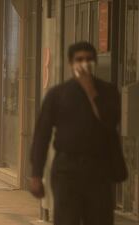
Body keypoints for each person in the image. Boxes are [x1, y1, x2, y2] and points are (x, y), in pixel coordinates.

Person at [30, 42, 128, 225]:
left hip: (99, 169)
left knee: (100, 219)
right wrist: (36, 174)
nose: (84, 64)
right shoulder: (58, 94)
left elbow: (110, 122)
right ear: (70, 63)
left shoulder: (107, 92)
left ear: (95, 62)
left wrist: (91, 92)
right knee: (67, 219)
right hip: (67, 169)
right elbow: (42, 135)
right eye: (79, 59)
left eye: (89, 59)